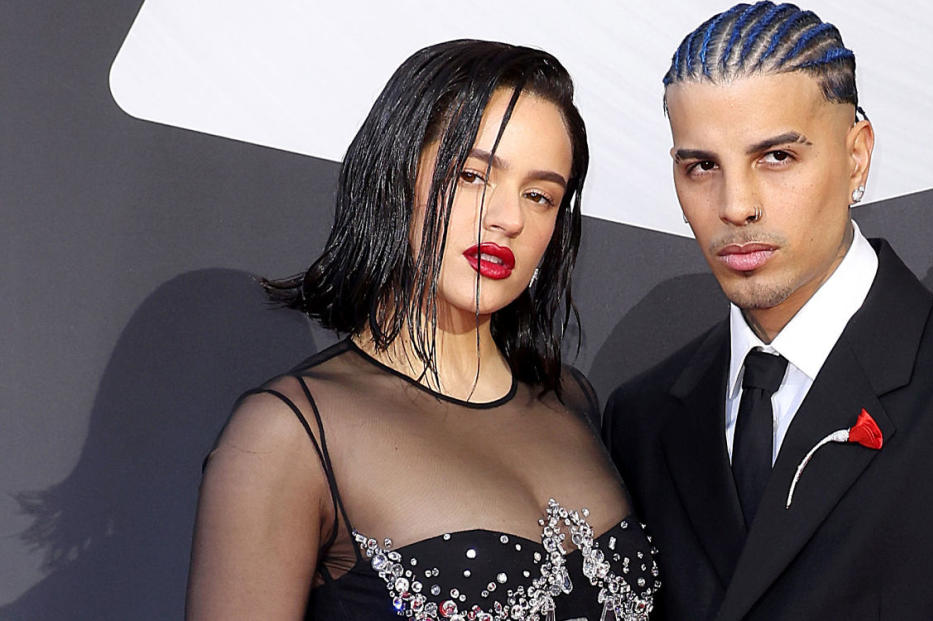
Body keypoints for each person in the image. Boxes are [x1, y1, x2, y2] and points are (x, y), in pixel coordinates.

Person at [603, 3, 933, 620]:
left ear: (857, 156)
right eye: (701, 166)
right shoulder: (643, 417)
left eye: (776, 158)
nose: (736, 206)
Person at [186, 40, 659, 621]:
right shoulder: (293, 432)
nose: (509, 218)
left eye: (540, 196)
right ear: (395, 174)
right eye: (472, 175)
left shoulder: (571, 399)